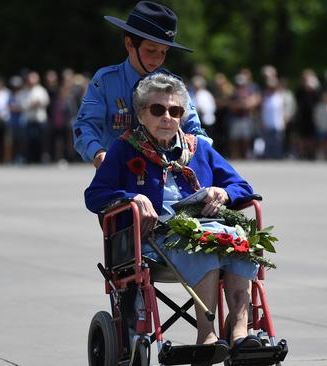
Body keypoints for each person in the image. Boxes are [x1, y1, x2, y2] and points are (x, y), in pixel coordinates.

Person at [85, 73, 262, 351]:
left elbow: (242, 185)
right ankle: (207, 337)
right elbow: (95, 195)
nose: (167, 117)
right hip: (154, 241)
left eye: (175, 110)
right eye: (158, 110)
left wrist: (224, 193)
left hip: (207, 226)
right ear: (142, 114)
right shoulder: (124, 148)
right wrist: (133, 197)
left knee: (239, 242)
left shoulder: (198, 147)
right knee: (206, 244)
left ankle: (241, 336)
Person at [73, 1, 206, 168]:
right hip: (118, 172)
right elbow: (85, 126)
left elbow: (195, 130)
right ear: (129, 44)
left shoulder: (174, 85)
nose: (158, 58)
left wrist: (205, 154)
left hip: (166, 176)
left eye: (164, 52)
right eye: (151, 50)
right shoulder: (105, 81)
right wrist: (97, 153)